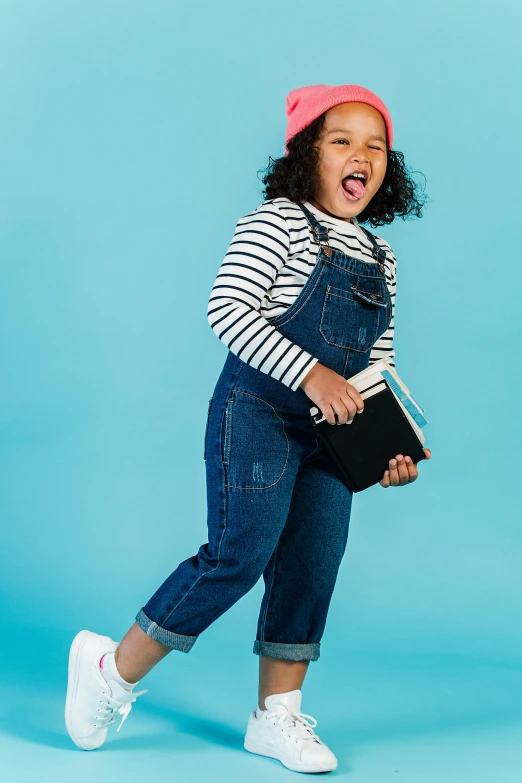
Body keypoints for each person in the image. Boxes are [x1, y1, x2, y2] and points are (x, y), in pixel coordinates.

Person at [65, 83, 431, 773]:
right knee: (240, 553)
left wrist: (385, 446)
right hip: (258, 414)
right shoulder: (278, 222)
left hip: (334, 432)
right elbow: (228, 310)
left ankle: (276, 717)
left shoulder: (382, 256)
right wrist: (311, 376)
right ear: (306, 156)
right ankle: (111, 670)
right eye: (341, 141)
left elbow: (375, 362)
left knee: (312, 564)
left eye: (375, 146)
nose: (362, 155)